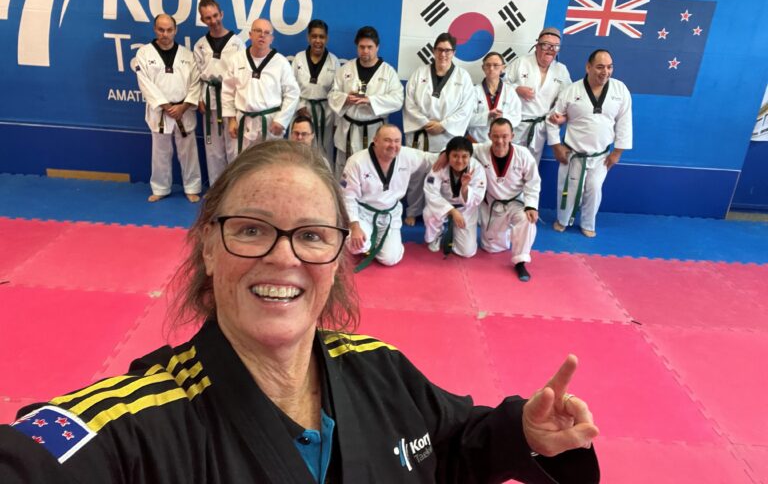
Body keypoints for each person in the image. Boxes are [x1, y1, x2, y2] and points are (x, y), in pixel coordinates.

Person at [0, 141, 600, 483]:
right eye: (252, 229)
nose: (283, 258)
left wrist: (519, 431)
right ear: (208, 247)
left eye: (312, 236)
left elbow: (454, 444)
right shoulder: (143, 429)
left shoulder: (381, 372)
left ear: (339, 255)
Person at [547, 49, 632, 238]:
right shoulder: (571, 91)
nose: (605, 72)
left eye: (609, 67)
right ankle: (563, 220)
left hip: (600, 155)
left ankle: (588, 223)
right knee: (568, 189)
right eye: (600, 67)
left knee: (594, 190)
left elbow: (625, 122)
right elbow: (552, 119)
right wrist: (555, 146)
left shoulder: (620, 90)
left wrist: (617, 152)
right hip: (573, 153)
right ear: (588, 67)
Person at [403, 33, 475, 222]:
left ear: (454, 53)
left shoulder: (463, 77)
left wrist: (443, 125)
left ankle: (438, 212)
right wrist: (424, 122)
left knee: (442, 176)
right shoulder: (419, 74)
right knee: (417, 176)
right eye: (440, 50)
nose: (443, 54)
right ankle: (412, 211)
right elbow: (409, 103)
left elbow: (466, 109)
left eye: (448, 50)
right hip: (422, 133)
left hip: (447, 137)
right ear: (434, 51)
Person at [341, 124, 433, 271]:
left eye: (397, 141)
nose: (393, 145)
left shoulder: (406, 156)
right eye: (387, 140)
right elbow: (348, 197)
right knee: (355, 246)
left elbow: (430, 159)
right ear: (375, 140)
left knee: (390, 259)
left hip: (390, 215)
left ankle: (379, 242)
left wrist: (446, 156)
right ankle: (368, 238)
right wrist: (355, 227)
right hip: (363, 213)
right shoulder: (357, 161)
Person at [135, 13, 202, 203]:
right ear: (155, 29)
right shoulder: (144, 54)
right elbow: (145, 83)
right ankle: (161, 187)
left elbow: (196, 83)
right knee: (160, 152)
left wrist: (184, 106)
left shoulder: (187, 55)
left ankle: (192, 187)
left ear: (175, 30)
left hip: (184, 109)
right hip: (160, 110)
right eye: (161, 30)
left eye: (169, 30)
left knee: (188, 151)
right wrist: (165, 105)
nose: (165, 34)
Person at [328, 26, 403, 178]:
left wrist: (371, 101)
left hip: (374, 130)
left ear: (377, 47)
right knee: (345, 173)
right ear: (357, 47)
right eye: (362, 47)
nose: (365, 51)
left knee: (372, 173)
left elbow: (398, 99)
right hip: (348, 130)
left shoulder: (388, 72)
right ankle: (344, 201)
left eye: (370, 47)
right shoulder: (346, 69)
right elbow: (332, 94)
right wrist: (345, 99)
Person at [475, 118, 541, 282]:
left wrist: (531, 206)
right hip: (493, 204)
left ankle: (521, 261)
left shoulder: (523, 154)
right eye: (496, 136)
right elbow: (456, 147)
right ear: (489, 135)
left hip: (516, 202)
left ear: (512, 135)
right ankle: (506, 231)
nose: (500, 141)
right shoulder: (480, 150)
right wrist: (442, 155)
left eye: (504, 136)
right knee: (491, 248)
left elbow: (533, 182)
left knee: (527, 220)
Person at [222, 18, 300, 154]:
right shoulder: (237, 59)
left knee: (269, 166)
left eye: (267, 32)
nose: (262, 35)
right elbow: (228, 91)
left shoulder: (280, 62)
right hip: (243, 123)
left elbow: (292, 93)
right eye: (258, 31)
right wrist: (231, 119)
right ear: (250, 34)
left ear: (272, 38)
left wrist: (281, 120)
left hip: (270, 124)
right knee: (242, 166)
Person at [193, 0, 245, 186]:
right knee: (213, 148)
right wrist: (199, 97)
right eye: (208, 18)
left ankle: (233, 188)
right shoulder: (200, 45)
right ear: (202, 20)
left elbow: (243, 73)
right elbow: (197, 74)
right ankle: (217, 188)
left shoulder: (237, 43)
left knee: (234, 147)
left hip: (231, 98)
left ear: (221, 14)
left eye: (215, 15)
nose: (213, 21)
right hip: (209, 99)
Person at [506, 28, 572, 164]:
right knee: (510, 166)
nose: (550, 49)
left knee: (531, 169)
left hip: (540, 128)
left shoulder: (561, 70)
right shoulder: (521, 63)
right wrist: (517, 89)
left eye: (555, 46)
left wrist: (564, 117)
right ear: (537, 46)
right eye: (546, 45)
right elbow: (500, 84)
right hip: (517, 124)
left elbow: (568, 99)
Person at [423, 136, 486, 257]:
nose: (459, 160)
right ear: (448, 155)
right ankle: (437, 235)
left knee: (467, 252)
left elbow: (477, 198)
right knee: (429, 213)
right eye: (455, 156)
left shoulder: (477, 169)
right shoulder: (440, 165)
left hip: (465, 208)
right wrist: (451, 210)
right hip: (443, 204)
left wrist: (465, 188)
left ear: (470, 156)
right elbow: (431, 192)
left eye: (464, 156)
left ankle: (456, 235)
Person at [292, 19, 340, 164]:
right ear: (308, 37)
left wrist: (336, 122)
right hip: (301, 110)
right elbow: (290, 87)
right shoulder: (299, 58)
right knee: (299, 153)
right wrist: (300, 107)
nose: (318, 40)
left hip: (326, 113)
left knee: (323, 154)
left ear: (327, 38)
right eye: (314, 36)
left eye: (321, 37)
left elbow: (337, 91)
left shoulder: (333, 61)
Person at [467, 51, 522, 143]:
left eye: (496, 65)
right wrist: (487, 115)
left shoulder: (510, 91)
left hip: (502, 142)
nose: (491, 68)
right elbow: (466, 119)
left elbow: (517, 118)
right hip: (477, 141)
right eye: (488, 65)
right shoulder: (473, 91)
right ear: (483, 68)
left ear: (503, 68)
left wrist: (503, 117)